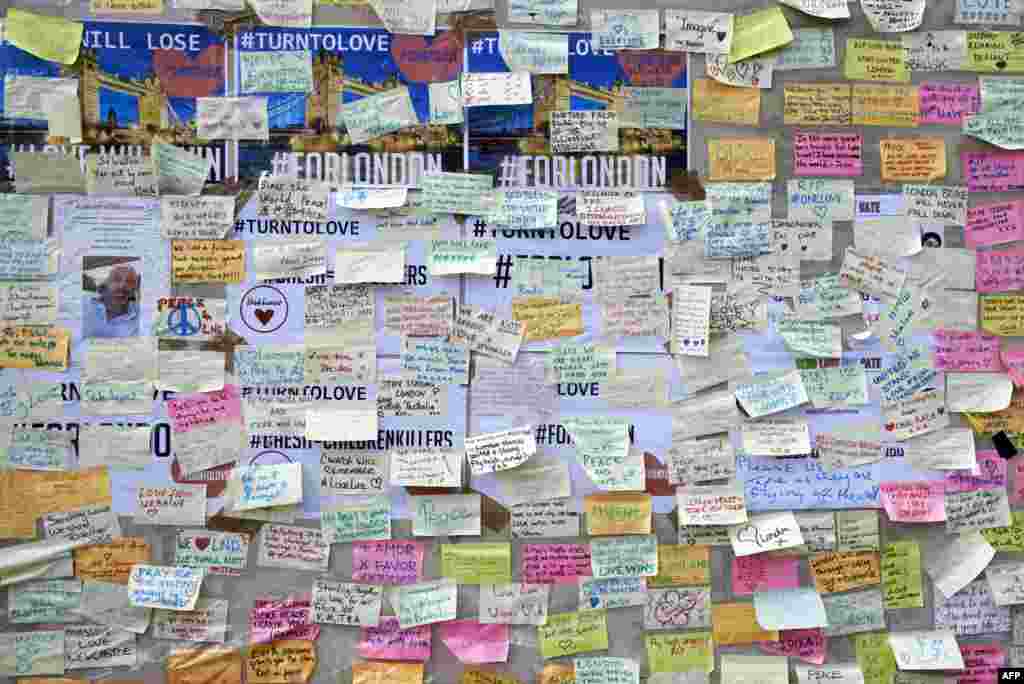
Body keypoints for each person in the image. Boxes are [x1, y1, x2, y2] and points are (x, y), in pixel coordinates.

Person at [83, 263, 141, 338]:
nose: (123, 285)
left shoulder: (139, 316)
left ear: (134, 290)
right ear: (106, 284)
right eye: (117, 279)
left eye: (130, 282)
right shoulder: (85, 303)